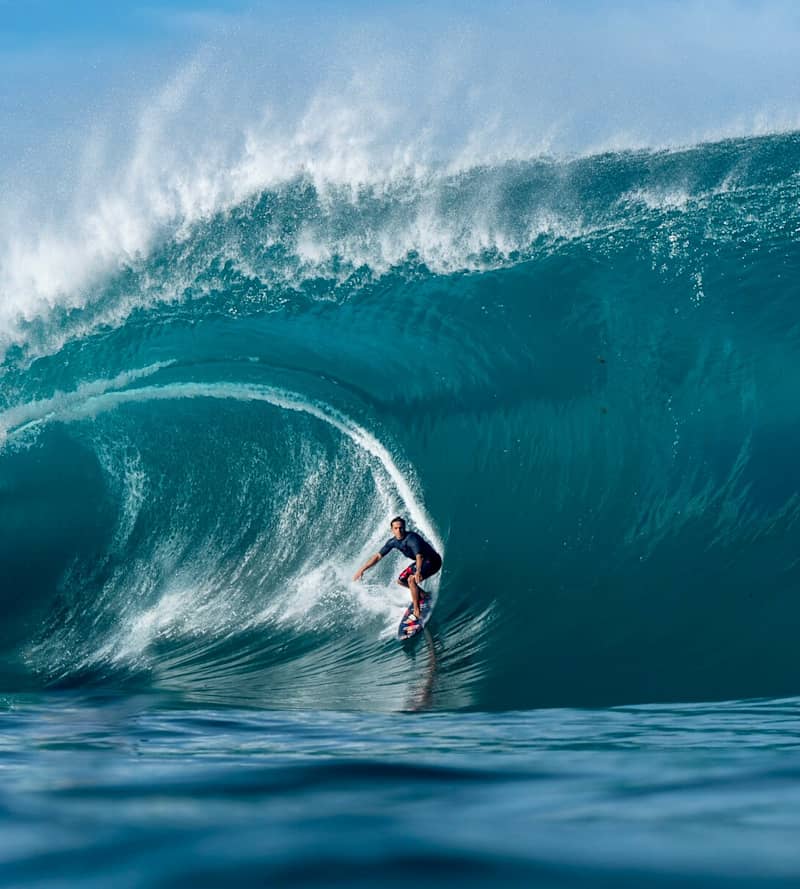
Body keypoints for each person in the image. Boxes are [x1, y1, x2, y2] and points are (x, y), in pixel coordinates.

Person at [353, 516, 442, 619]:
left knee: (411, 580)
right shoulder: (393, 542)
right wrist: (362, 569)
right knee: (401, 580)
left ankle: (417, 612)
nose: (399, 530)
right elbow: (378, 556)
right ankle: (424, 595)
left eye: (401, 528)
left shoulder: (412, 538)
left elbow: (419, 556)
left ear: (404, 528)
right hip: (423, 562)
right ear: (392, 530)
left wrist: (418, 572)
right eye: (396, 528)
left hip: (433, 561)